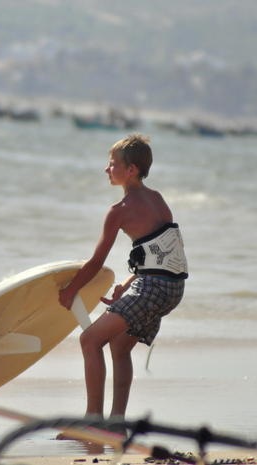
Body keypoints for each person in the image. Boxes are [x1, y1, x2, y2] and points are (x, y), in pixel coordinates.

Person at [59, 133, 188, 425]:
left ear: (131, 170)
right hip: (173, 287)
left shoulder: (119, 211)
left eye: (112, 164)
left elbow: (96, 262)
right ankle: (116, 425)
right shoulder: (157, 199)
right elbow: (169, 250)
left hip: (153, 287)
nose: (107, 169)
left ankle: (93, 422)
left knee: (89, 340)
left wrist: (70, 291)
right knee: (119, 346)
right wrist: (130, 283)